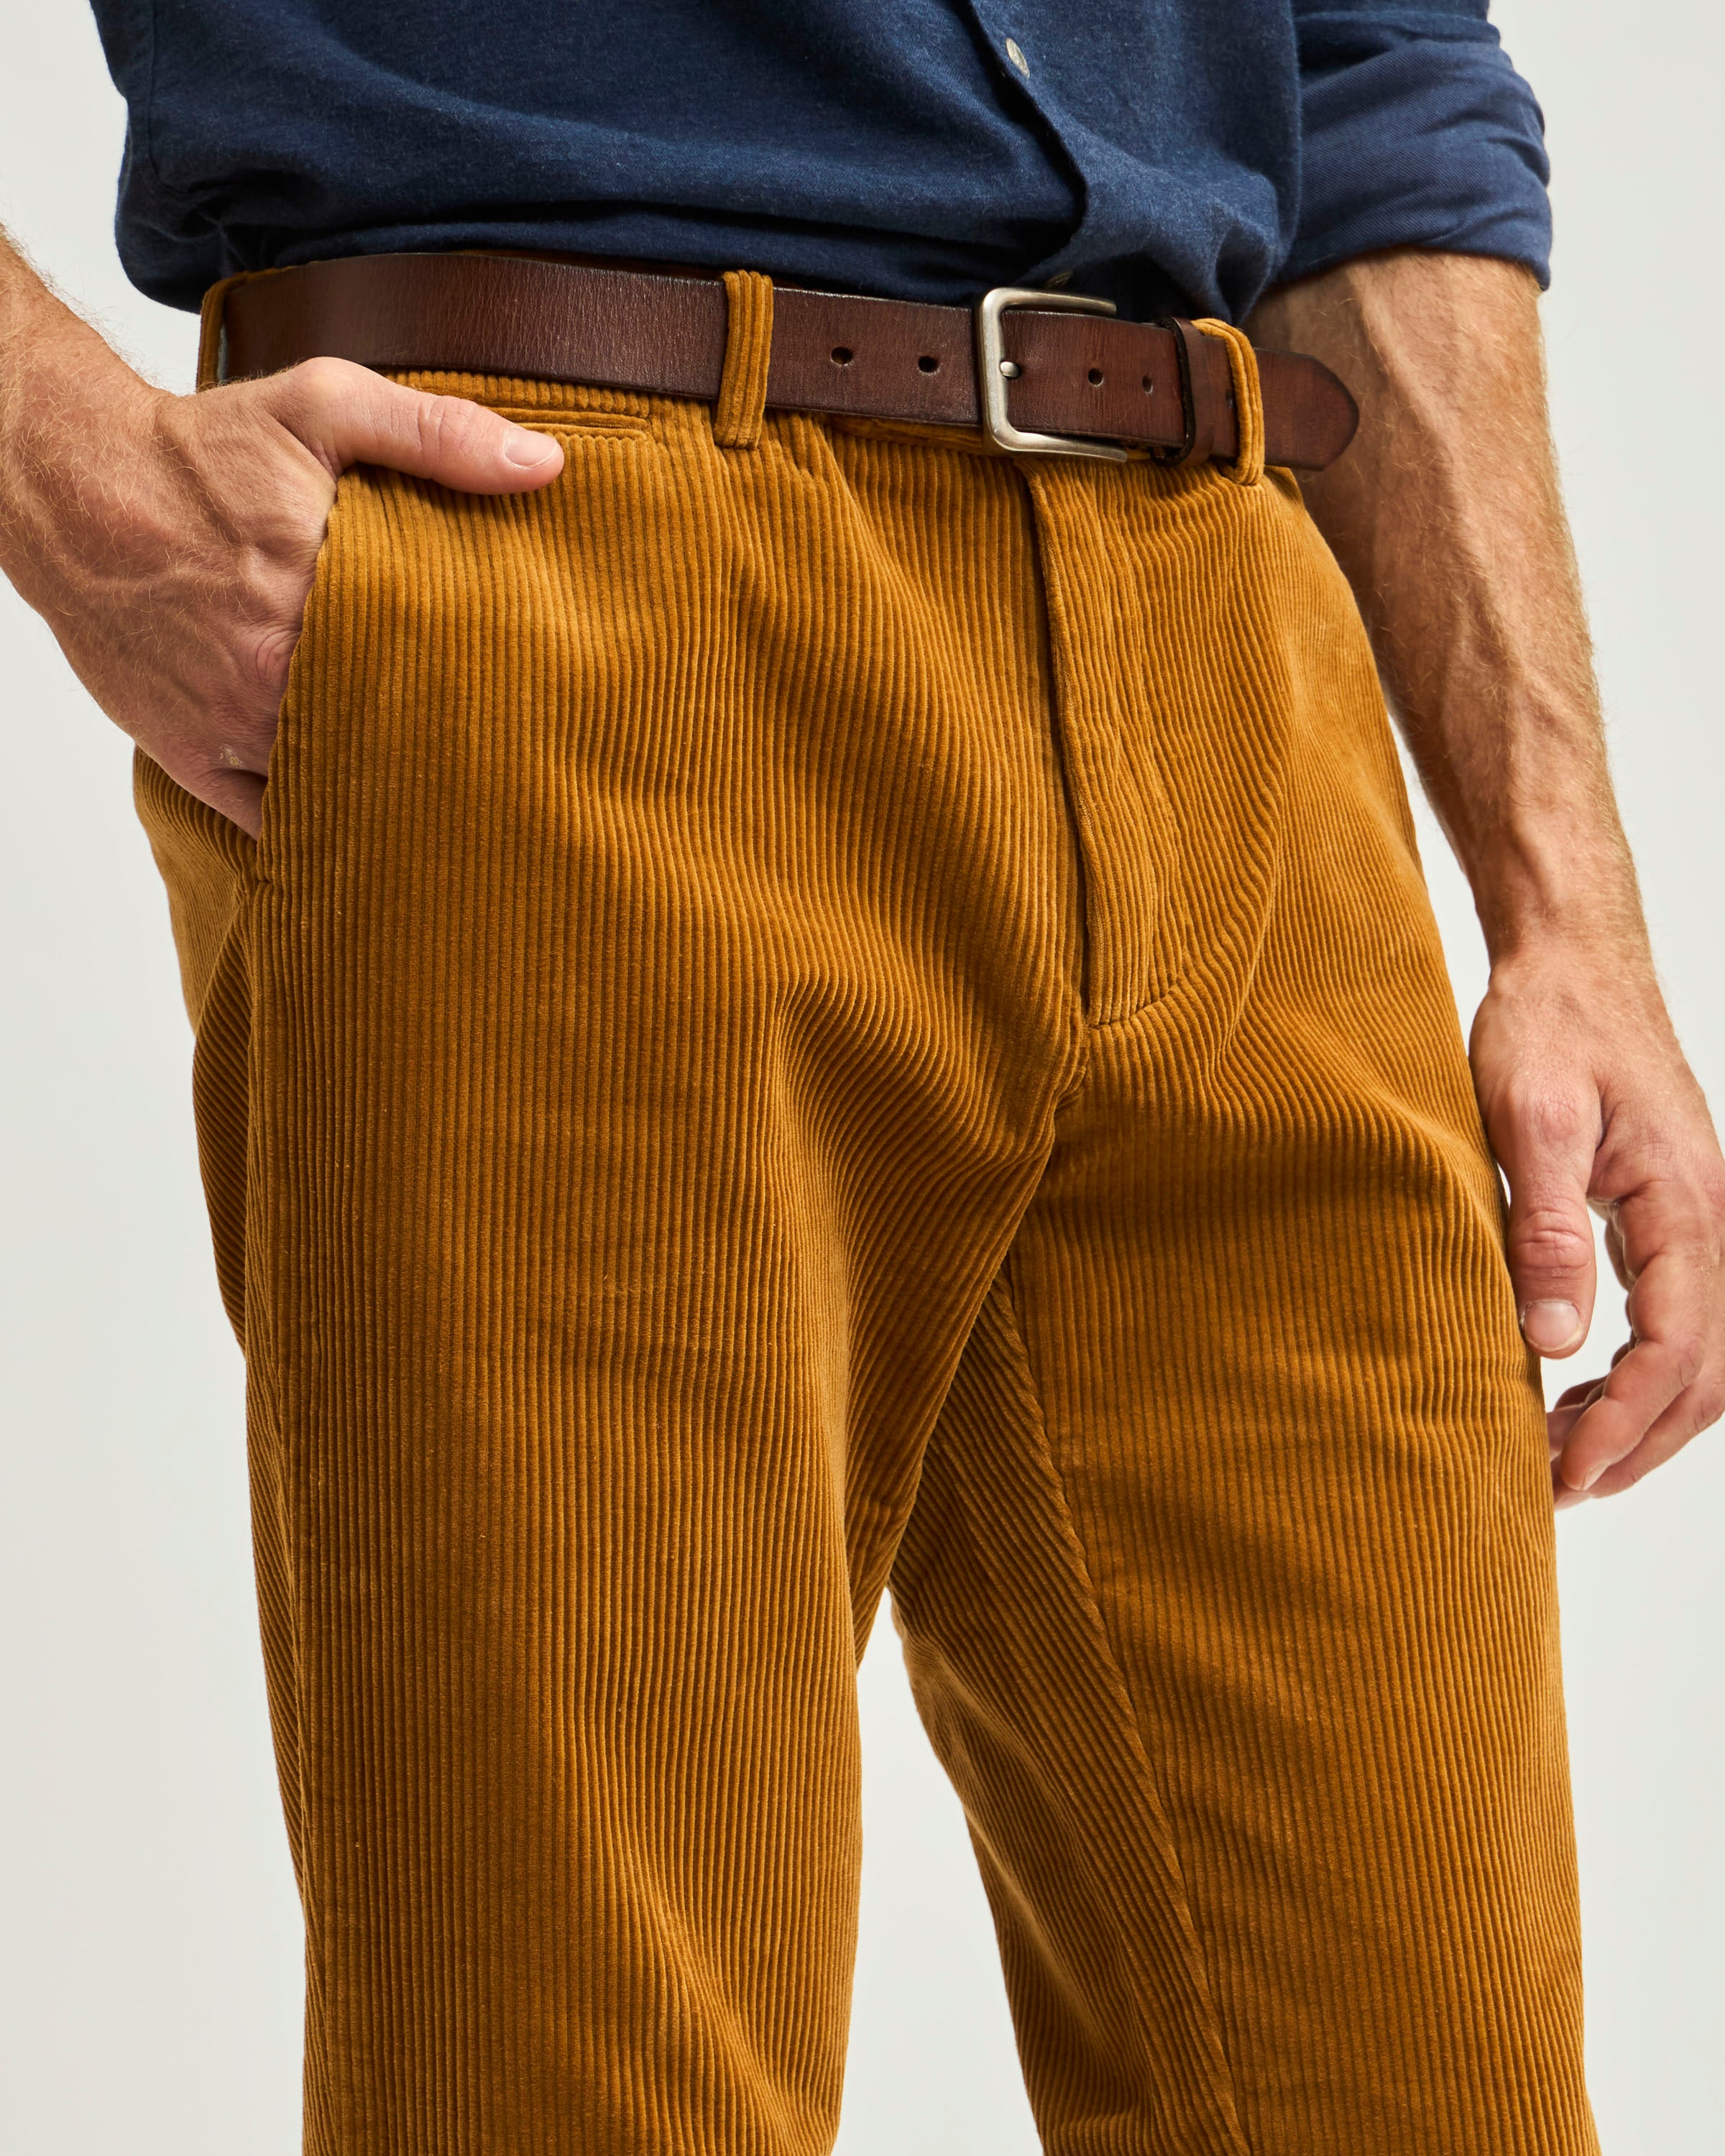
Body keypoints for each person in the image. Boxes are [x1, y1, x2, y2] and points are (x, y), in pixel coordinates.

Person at [2, 2, 1720, 2149]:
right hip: (569, 560)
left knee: (1426, 2087)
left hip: (1233, 635)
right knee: (585, 2084)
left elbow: (1373, 66)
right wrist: (66, 465)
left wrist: (1568, 906)